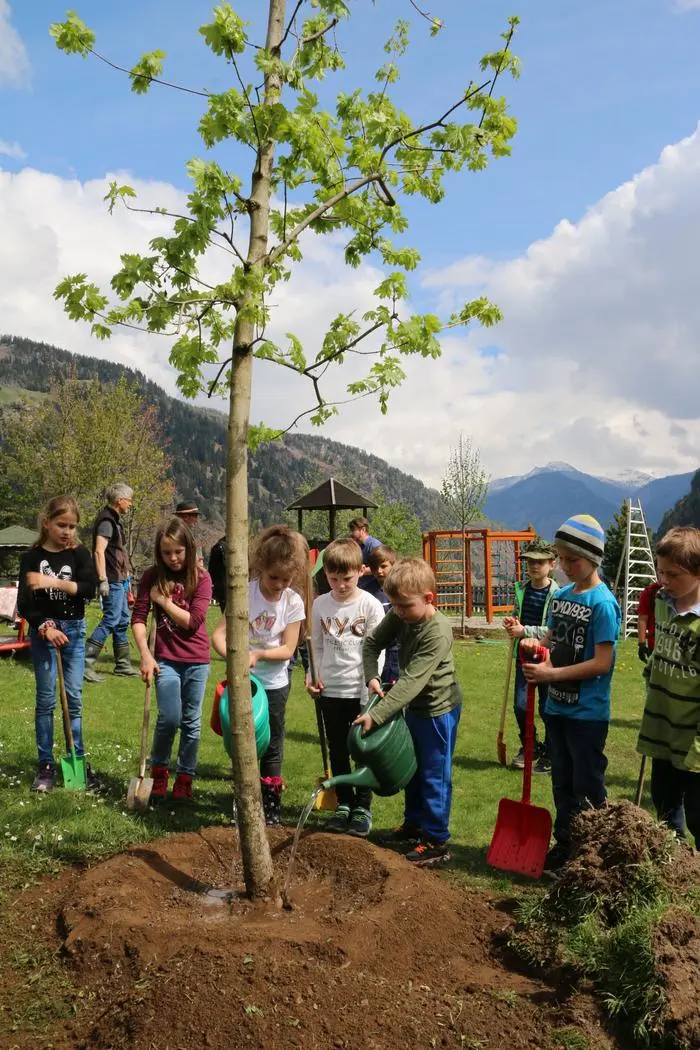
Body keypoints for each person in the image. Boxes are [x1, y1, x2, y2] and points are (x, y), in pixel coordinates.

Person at [521, 514, 621, 874]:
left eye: (571, 559)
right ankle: (565, 845)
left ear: (592, 558)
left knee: (587, 783)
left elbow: (601, 663)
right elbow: (553, 637)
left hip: (587, 715)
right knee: (562, 780)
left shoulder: (603, 603)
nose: (563, 566)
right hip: (557, 709)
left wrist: (550, 674)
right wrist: (536, 642)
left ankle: (595, 853)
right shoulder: (561, 596)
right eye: (561, 559)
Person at [356, 557, 463, 867]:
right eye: (395, 606)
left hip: (438, 711)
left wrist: (375, 715)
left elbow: (412, 681)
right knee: (413, 770)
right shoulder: (403, 615)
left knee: (434, 775)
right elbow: (372, 642)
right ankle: (415, 825)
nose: (399, 613)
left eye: (405, 607)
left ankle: (436, 840)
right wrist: (371, 676)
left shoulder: (437, 632)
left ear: (429, 598)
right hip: (414, 709)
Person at [212, 525, 307, 825]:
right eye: (273, 577)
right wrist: (235, 657)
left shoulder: (293, 602)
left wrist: (259, 654)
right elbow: (219, 635)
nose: (278, 584)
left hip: (275, 683)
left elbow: (289, 648)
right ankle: (244, 799)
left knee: (273, 743)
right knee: (243, 740)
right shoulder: (245, 594)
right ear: (260, 569)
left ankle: (270, 803)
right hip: (244, 683)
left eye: (285, 579)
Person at [17, 496, 102, 793]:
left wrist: (53, 583)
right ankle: (46, 765)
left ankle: (77, 758)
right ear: (46, 523)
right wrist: (44, 626)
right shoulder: (31, 557)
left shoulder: (79, 554)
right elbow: (24, 603)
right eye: (61, 524)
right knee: (46, 700)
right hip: (45, 634)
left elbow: (89, 589)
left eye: (72, 526)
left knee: (74, 698)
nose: (67, 531)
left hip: (75, 632)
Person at [306, 538, 385, 837]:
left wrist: (372, 682)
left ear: (361, 571)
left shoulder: (370, 605)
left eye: (347, 578)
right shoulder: (320, 605)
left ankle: (363, 807)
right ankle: (344, 803)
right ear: (325, 573)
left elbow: (377, 649)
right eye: (333, 578)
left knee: (362, 751)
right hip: (330, 690)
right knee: (337, 749)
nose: (339, 585)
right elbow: (316, 646)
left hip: (360, 691)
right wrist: (312, 676)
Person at [131, 517, 212, 803]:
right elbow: (138, 618)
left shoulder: (202, 578)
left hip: (197, 660)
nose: (174, 558)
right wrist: (145, 655)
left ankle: (185, 779)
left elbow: (193, 621)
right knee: (169, 717)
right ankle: (160, 772)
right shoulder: (152, 577)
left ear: (188, 548)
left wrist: (163, 602)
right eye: (167, 553)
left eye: (178, 551)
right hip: (164, 659)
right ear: (159, 553)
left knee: (191, 722)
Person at [636, 527, 700, 844]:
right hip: (663, 728)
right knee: (664, 798)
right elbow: (663, 650)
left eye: (674, 575)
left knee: (698, 811)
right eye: (661, 572)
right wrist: (653, 673)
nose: (665, 581)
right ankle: (674, 862)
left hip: (693, 737)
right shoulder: (664, 603)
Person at [503, 538, 559, 774]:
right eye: (530, 562)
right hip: (523, 656)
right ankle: (530, 745)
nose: (534, 566)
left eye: (540, 562)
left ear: (551, 564)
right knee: (520, 705)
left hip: (547, 656)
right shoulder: (521, 589)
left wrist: (524, 630)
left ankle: (551, 751)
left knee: (548, 708)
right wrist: (512, 623)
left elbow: (553, 630)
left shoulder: (558, 594)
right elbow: (518, 617)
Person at [84, 482, 139, 682]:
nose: (130, 504)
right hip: (111, 579)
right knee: (111, 619)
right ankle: (85, 663)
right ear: (119, 500)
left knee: (122, 620)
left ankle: (123, 665)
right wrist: (103, 580)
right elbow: (99, 551)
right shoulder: (107, 521)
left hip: (120, 580)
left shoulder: (115, 521)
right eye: (129, 500)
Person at [365, 544, 400, 688]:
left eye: (383, 566)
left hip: (395, 649)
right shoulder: (367, 591)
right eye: (374, 568)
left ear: (393, 565)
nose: (379, 571)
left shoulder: (400, 589)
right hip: (375, 647)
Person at [348, 516, 382, 591]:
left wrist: (355, 571)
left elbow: (379, 568)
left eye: (353, 530)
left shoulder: (374, 545)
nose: (351, 533)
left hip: (374, 592)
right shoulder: (357, 545)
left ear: (363, 529)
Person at [637, 579, 662, 663]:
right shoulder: (649, 592)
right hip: (655, 645)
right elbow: (642, 619)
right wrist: (642, 644)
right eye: (661, 571)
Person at [175, 499, 204, 570]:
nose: (197, 521)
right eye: (195, 516)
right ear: (185, 517)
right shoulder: (177, 537)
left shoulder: (188, 534)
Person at [208, 534, 227, 612]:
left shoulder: (217, 547)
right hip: (223, 584)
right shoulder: (220, 548)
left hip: (221, 586)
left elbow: (211, 569)